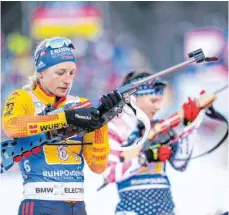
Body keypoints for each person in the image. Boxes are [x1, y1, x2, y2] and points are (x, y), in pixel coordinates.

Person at [2, 37, 122, 215]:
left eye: (72, 73)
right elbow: (11, 126)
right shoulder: (23, 97)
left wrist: (101, 121)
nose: (67, 80)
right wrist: (65, 117)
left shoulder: (81, 104)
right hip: (40, 203)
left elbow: (98, 166)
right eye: (60, 72)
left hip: (77, 206)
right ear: (41, 72)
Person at [103, 71, 201, 215]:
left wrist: (190, 126)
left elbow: (180, 163)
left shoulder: (160, 127)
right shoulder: (115, 128)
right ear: (133, 99)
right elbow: (109, 173)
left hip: (165, 209)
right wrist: (146, 157)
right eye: (153, 101)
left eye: (160, 101)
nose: (158, 107)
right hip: (131, 210)